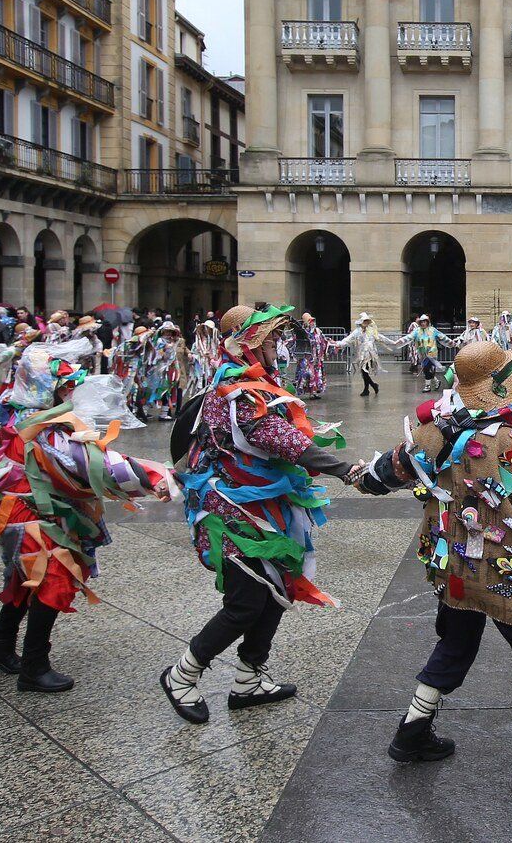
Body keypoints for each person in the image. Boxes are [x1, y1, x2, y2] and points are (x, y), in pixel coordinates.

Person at [357, 341, 512, 808]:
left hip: (455, 566)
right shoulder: (511, 442)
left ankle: (411, 734)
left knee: (455, 643)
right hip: (510, 572)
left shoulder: (432, 431)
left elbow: (381, 476)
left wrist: (359, 474)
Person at [160, 305, 365, 724]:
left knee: (276, 591)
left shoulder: (257, 382)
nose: (279, 344)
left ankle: (249, 678)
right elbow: (276, 437)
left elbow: (286, 431)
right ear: (248, 343)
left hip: (261, 507)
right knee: (245, 601)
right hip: (232, 513)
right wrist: (345, 469)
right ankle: (182, 675)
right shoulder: (237, 388)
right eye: (271, 338)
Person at [0, 346, 172, 692]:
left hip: (12, 510)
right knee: (52, 578)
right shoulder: (45, 428)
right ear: (46, 388)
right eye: (64, 385)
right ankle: (34, 666)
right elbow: (93, 463)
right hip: (29, 513)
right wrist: (154, 476)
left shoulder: (12, 416)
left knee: (24, 577)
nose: (71, 391)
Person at [336, 313, 399, 396]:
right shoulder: (357, 332)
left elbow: (381, 337)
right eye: (364, 321)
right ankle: (371, 387)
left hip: (370, 355)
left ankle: (369, 388)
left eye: (367, 321)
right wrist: (338, 343)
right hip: (361, 355)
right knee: (364, 372)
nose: (365, 322)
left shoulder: (372, 331)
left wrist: (393, 342)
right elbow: (348, 339)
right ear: (361, 322)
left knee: (364, 371)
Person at [294, 314, 328, 400]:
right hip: (307, 358)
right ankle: (309, 391)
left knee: (317, 375)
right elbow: (297, 342)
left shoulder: (318, 331)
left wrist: (330, 344)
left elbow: (323, 340)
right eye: (310, 321)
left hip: (317, 358)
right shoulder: (303, 332)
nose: (312, 323)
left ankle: (314, 392)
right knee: (308, 374)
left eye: (313, 320)